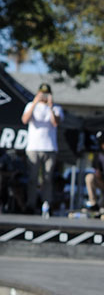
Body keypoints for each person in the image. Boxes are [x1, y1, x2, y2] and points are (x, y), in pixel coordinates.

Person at [21, 81, 63, 214]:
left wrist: (50, 106)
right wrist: (34, 102)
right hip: (33, 147)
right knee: (33, 178)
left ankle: (47, 205)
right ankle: (31, 205)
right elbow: (25, 120)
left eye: (46, 94)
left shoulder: (56, 108)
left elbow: (55, 123)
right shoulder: (30, 105)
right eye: (42, 94)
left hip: (50, 147)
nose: (44, 96)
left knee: (47, 178)